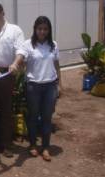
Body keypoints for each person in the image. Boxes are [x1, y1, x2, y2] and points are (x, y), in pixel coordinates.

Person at [10, 16, 62, 162]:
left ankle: (45, 147)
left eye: (45, 29)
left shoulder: (54, 45)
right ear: (35, 29)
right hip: (33, 86)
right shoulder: (28, 45)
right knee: (33, 117)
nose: (42, 32)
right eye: (40, 29)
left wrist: (60, 84)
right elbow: (20, 57)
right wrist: (15, 64)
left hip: (50, 86)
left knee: (46, 117)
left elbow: (57, 65)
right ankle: (33, 144)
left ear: (49, 30)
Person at [0, 3, 25, 160]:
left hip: (7, 73)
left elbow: (21, 50)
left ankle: (6, 145)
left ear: (3, 13)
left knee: (6, 110)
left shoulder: (15, 30)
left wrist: (15, 64)